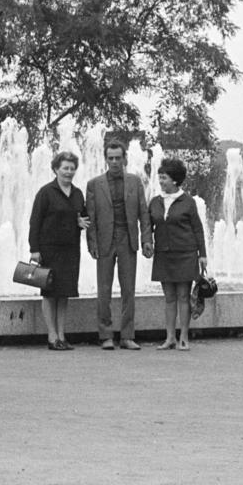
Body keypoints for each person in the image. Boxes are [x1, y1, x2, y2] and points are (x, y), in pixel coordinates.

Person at [84, 139, 153, 351]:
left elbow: (143, 212)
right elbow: (91, 217)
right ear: (106, 159)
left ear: (125, 159)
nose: (114, 162)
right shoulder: (94, 184)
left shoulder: (134, 182)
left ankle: (127, 336)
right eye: (110, 158)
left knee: (128, 290)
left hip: (127, 239)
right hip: (105, 240)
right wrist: (92, 243)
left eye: (118, 158)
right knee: (103, 291)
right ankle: (105, 335)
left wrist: (147, 239)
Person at [27, 150, 90, 351]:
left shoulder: (78, 193)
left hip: (71, 249)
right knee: (49, 292)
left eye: (72, 169)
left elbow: (84, 217)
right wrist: (34, 249)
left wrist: (80, 222)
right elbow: (34, 221)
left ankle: (62, 334)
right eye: (65, 168)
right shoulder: (46, 192)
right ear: (56, 169)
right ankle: (52, 336)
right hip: (49, 249)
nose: (69, 172)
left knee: (64, 293)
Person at [148, 157, 208, 351]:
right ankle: (169, 337)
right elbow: (148, 225)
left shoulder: (188, 201)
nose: (161, 181)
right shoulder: (155, 202)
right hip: (163, 254)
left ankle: (184, 337)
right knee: (169, 297)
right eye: (160, 177)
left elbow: (198, 229)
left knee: (183, 296)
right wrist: (147, 242)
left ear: (174, 180)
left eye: (164, 178)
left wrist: (203, 254)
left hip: (185, 254)